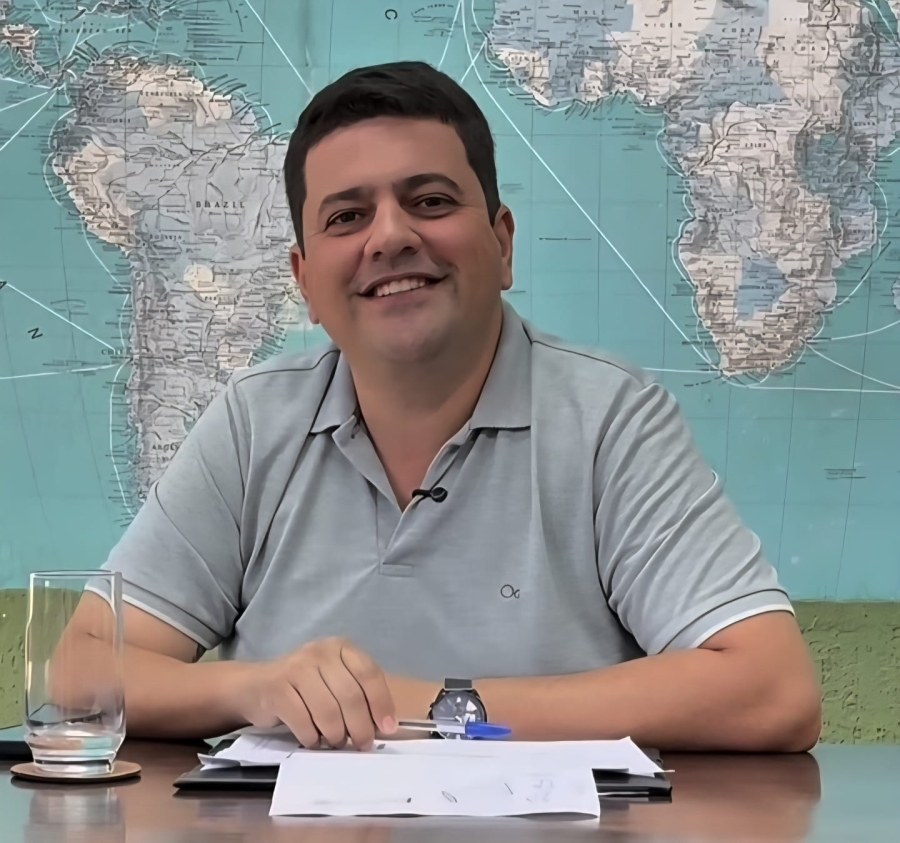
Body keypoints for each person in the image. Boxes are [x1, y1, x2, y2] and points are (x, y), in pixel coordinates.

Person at [66, 61, 822, 753]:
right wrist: (258, 688)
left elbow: (773, 690)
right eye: (346, 217)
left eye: (429, 201)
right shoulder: (252, 423)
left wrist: (430, 705)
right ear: (304, 280)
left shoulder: (610, 420)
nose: (390, 237)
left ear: (502, 244)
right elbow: (80, 673)